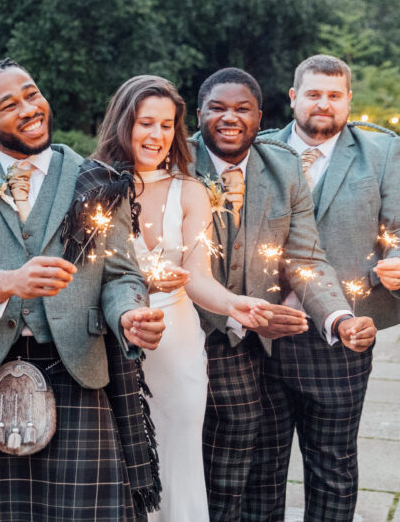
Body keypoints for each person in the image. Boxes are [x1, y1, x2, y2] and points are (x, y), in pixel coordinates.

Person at [0, 58, 167, 521]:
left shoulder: (97, 181)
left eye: (32, 94)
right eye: (9, 104)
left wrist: (129, 315)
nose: (29, 109)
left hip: (76, 368)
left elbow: (120, 276)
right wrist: (6, 282)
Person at [247, 55, 400, 521]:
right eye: (313, 94)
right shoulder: (257, 149)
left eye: (333, 95)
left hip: (343, 332)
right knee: (260, 468)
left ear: (349, 99)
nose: (323, 104)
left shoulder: (380, 151)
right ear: (293, 98)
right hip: (260, 333)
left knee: (333, 467)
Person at [189, 68, 373, 522]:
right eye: (217, 108)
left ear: (260, 116)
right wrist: (237, 315)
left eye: (242, 109)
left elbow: (307, 257)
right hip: (186, 329)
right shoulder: (177, 161)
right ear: (198, 116)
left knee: (253, 467)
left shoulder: (283, 165)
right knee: (215, 460)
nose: (230, 118)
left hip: (256, 345)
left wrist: (339, 319)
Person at [93, 75, 273, 522]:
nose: (157, 136)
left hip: (175, 346)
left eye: (167, 125)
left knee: (177, 458)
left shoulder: (189, 191)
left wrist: (232, 303)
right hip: (108, 343)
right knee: (111, 465)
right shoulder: (90, 184)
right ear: (122, 123)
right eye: (145, 123)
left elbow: (197, 276)